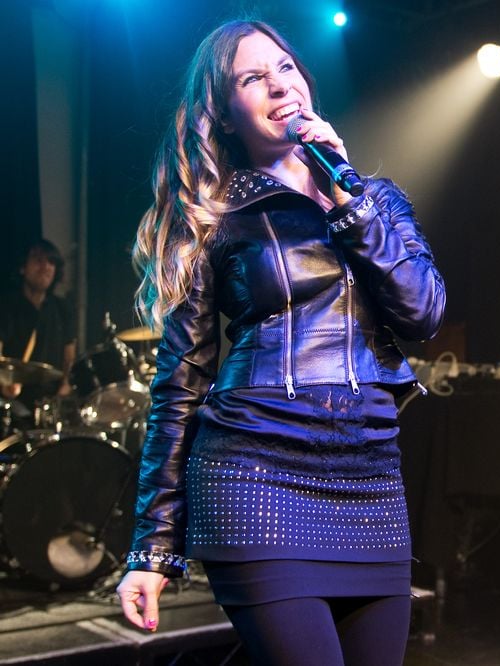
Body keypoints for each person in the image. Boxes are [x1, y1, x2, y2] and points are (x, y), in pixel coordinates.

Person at [115, 20, 445, 666]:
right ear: (227, 114)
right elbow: (179, 383)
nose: (278, 84)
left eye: (286, 67)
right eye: (252, 77)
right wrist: (153, 548)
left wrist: (348, 200)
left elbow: (422, 311)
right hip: (255, 476)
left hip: (369, 479)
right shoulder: (212, 218)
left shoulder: (376, 200)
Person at [0, 239, 76, 427]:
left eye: (51, 262)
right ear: (22, 267)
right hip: (13, 400)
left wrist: (66, 385)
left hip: (51, 400)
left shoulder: (62, 308)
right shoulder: (6, 306)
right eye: (38, 260)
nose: (46, 267)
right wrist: (4, 384)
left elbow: (69, 357)